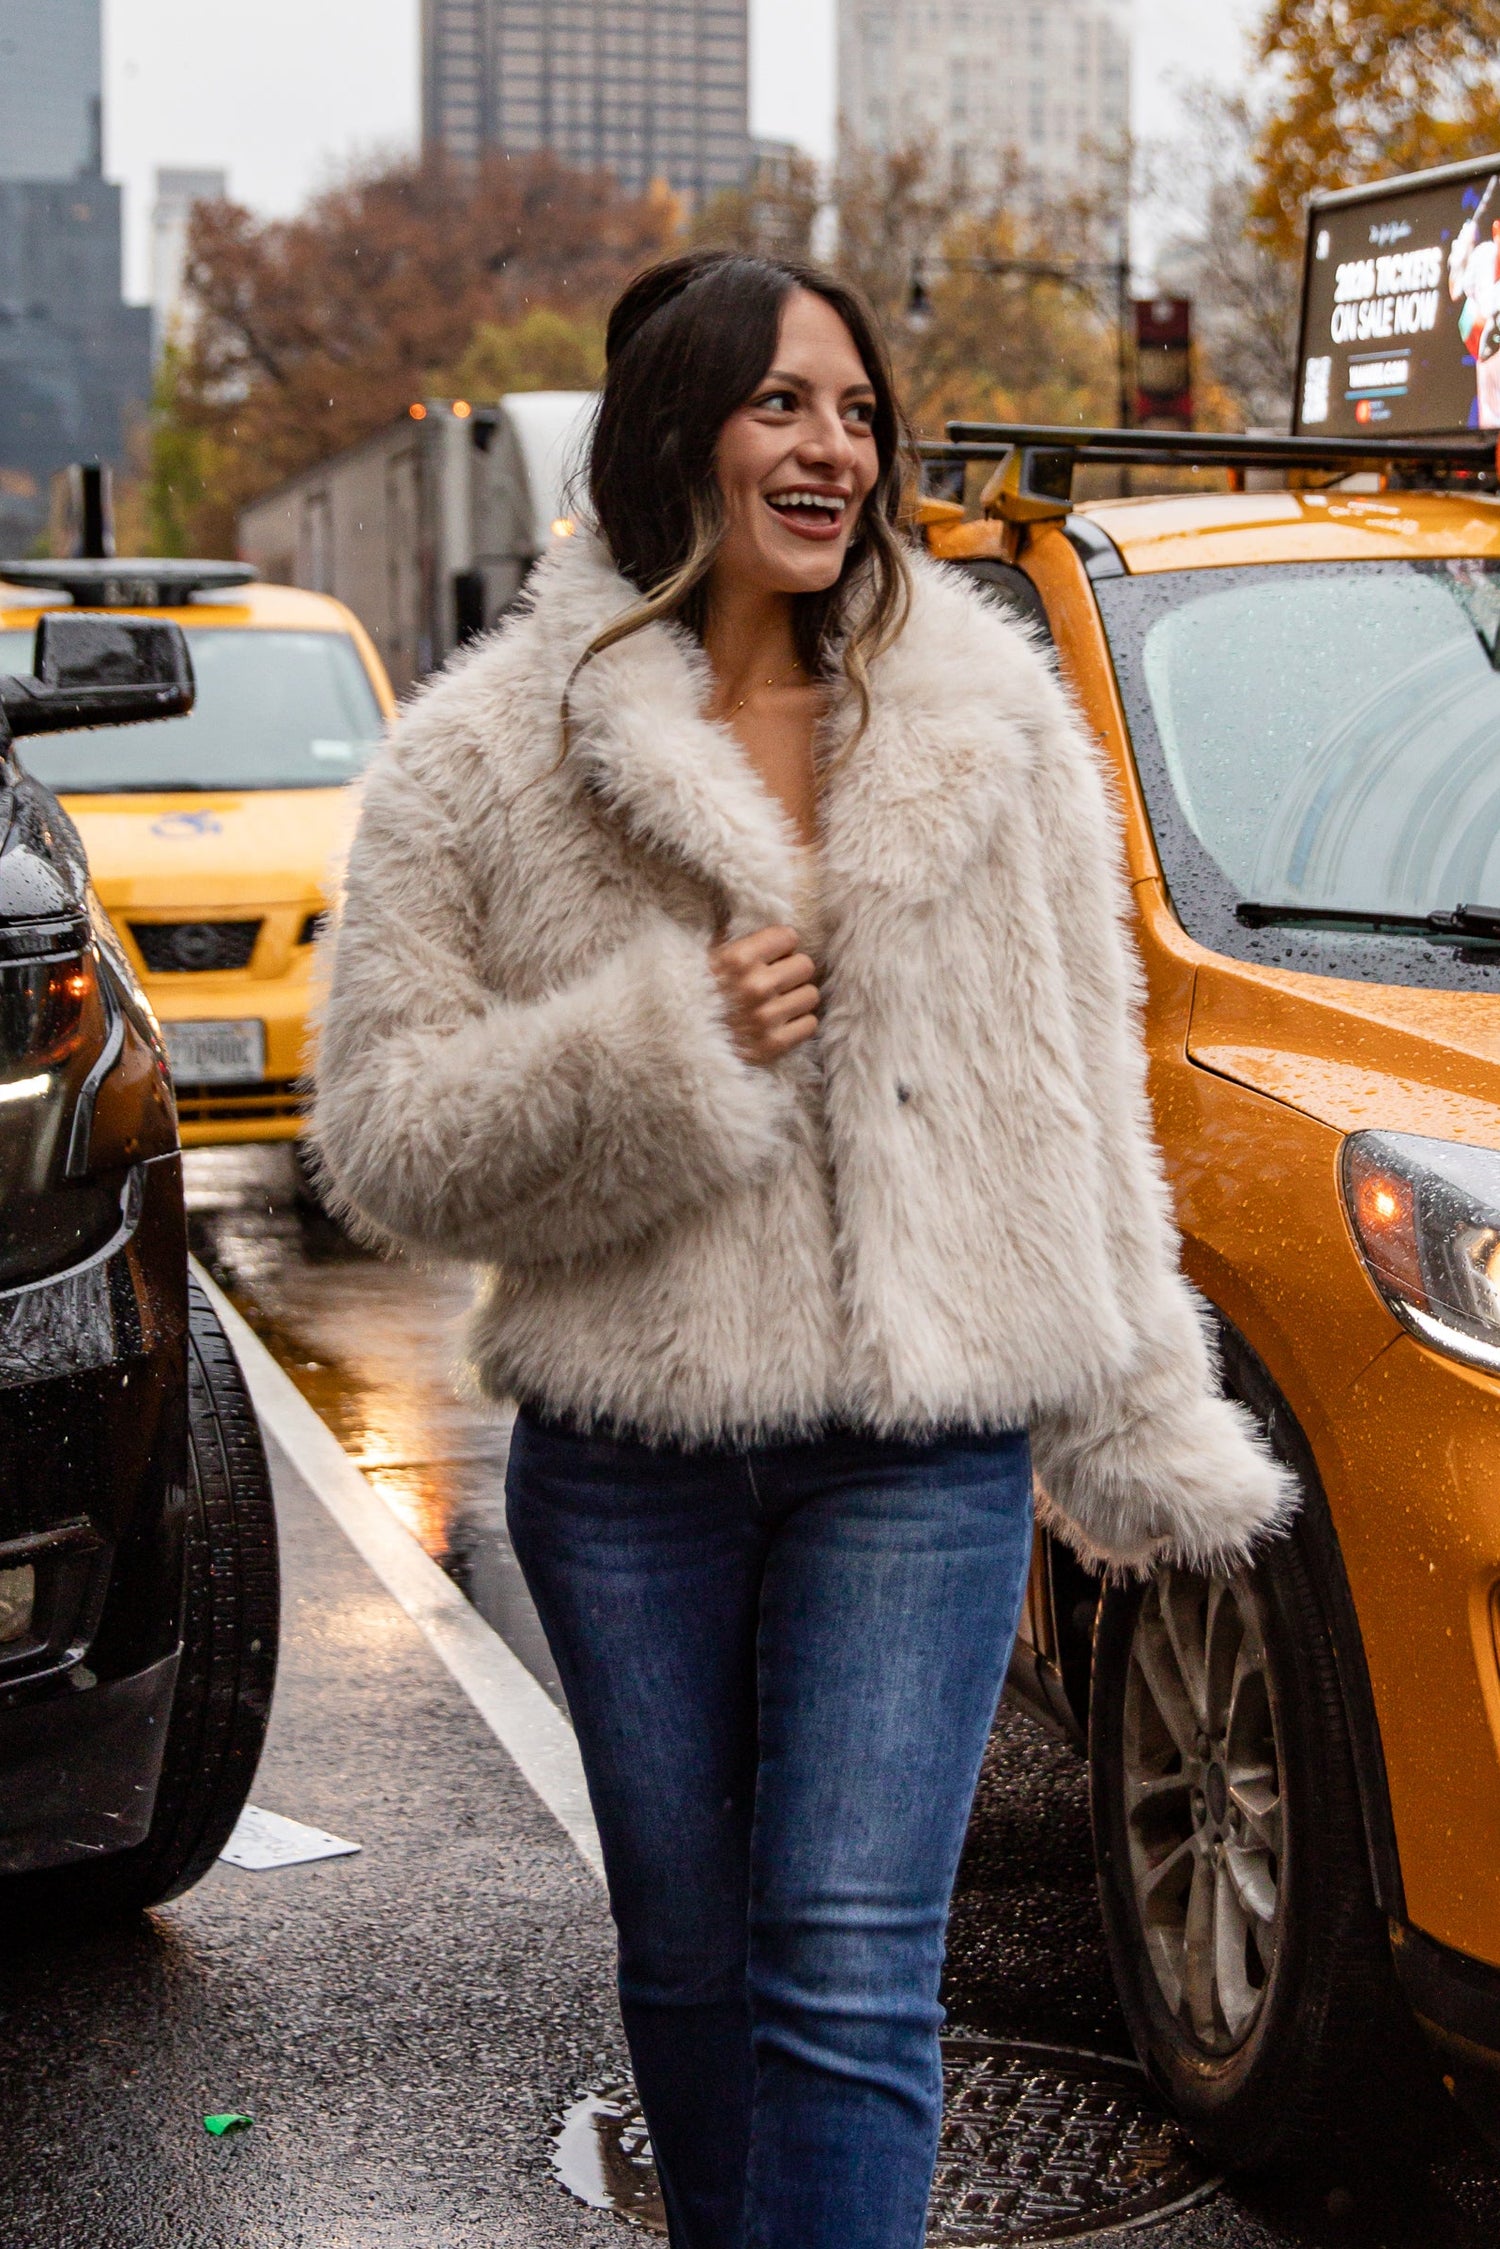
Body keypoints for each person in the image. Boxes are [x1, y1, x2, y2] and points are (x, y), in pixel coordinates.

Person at [312, 250, 1291, 2249]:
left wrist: (1128, 1412)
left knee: (849, 1967)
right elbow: (384, 1137)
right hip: (632, 1459)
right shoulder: (491, 751)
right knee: (686, 1952)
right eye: (786, 403)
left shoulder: (988, 724)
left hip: (917, 1454)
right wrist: (661, 1047)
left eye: (856, 411)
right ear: (679, 430)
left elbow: (1072, 1093)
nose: (833, 444)